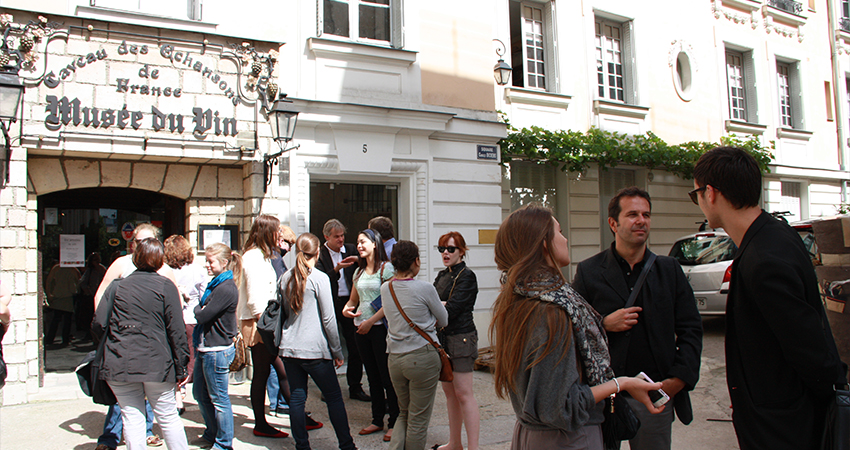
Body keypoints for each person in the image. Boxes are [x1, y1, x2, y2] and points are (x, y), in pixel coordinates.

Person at [691, 147, 846, 449]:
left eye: (695, 193)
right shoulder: (773, 235)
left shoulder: (764, 258)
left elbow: (809, 350)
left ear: (710, 193)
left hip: (784, 428)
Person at [491, 204, 665, 449]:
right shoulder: (551, 310)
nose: (565, 239)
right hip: (568, 439)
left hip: (533, 435)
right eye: (559, 232)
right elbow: (561, 406)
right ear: (544, 243)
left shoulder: (521, 298)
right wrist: (621, 383)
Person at [571, 187, 703, 450]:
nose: (641, 220)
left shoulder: (669, 270)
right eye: (632, 214)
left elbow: (691, 328)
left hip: (654, 394)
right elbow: (572, 330)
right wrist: (604, 324)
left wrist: (677, 380)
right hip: (607, 396)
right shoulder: (589, 271)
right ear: (613, 223)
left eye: (646, 215)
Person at [93, 238, 190, 450]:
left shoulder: (117, 286)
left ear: (135, 258)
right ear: (160, 260)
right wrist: (182, 364)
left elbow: (99, 323)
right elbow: (176, 329)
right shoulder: (165, 286)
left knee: (131, 417)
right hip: (156, 362)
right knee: (167, 416)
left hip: (121, 360)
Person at [238, 215, 319, 438]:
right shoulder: (253, 257)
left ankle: (297, 417)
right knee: (264, 373)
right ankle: (262, 424)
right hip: (260, 324)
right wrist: (267, 325)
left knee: (276, 371)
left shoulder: (262, 255)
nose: (280, 235)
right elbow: (255, 297)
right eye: (277, 231)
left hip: (265, 322)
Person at [279, 233, 357, 450]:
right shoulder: (319, 278)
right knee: (334, 398)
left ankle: (302, 446)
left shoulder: (285, 278)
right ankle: (347, 445)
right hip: (314, 349)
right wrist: (337, 351)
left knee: (297, 399)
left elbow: (283, 313)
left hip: (290, 348)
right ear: (317, 252)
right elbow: (329, 319)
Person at [383, 240, 448, 450]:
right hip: (422, 356)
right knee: (418, 418)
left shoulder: (386, 288)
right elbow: (444, 319)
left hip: (394, 357)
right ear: (416, 261)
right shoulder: (425, 288)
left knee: (404, 412)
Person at [342, 228, 398, 442]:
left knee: (386, 376)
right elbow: (353, 299)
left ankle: (394, 422)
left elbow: (390, 301)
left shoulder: (387, 269)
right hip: (360, 329)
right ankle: (377, 419)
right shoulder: (358, 272)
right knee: (372, 376)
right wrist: (346, 309)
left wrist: (371, 322)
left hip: (379, 328)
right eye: (357, 242)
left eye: (363, 241)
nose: (359, 246)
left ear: (375, 243)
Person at [432, 232, 480, 450]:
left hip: (461, 338)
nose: (445, 253)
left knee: (463, 393)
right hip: (443, 339)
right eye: (442, 249)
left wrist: (440, 305)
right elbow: (432, 304)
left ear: (461, 251)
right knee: (450, 394)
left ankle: (473, 447)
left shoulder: (467, 276)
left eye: (450, 249)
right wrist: (440, 305)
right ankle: (455, 443)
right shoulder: (442, 275)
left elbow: (452, 308)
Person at [192, 243, 241, 450]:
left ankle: (223, 443)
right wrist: (201, 308)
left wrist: (198, 307)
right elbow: (203, 311)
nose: (207, 265)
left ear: (224, 262)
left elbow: (203, 315)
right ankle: (212, 433)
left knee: (219, 399)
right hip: (206, 348)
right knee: (200, 394)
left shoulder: (225, 288)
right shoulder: (216, 284)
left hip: (217, 350)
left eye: (210, 261)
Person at [316, 219, 370, 402]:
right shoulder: (320, 254)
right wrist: (336, 269)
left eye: (342, 236)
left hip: (350, 302)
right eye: (336, 237)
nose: (340, 240)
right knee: (329, 346)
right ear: (326, 237)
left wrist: (357, 260)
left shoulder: (351, 249)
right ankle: (328, 388)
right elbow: (321, 280)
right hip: (330, 303)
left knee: (355, 345)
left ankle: (355, 387)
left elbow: (366, 265)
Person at [164, 235, 207, 414]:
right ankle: (191, 393)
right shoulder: (198, 270)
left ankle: (177, 396)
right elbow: (204, 296)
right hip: (192, 319)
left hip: (171, 320)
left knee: (173, 357)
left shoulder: (165, 270)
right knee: (191, 359)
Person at [268, 224, 295, 416]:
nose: (289, 249)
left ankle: (275, 401)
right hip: (275, 316)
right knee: (277, 363)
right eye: (288, 244)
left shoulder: (273, 257)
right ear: (279, 240)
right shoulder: (275, 259)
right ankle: (281, 402)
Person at [44, 261, 80, 347]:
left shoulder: (57, 268)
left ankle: (50, 338)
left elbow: (49, 281)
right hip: (67, 296)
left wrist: (49, 293)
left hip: (59, 295)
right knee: (66, 320)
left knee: (57, 319)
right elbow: (79, 281)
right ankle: (65, 339)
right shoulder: (73, 269)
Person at [77, 253, 106, 342]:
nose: (96, 262)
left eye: (97, 260)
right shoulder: (89, 270)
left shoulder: (102, 269)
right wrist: (88, 291)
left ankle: (98, 336)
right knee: (89, 317)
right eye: (94, 260)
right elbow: (82, 282)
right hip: (91, 297)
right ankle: (91, 334)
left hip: (101, 296)